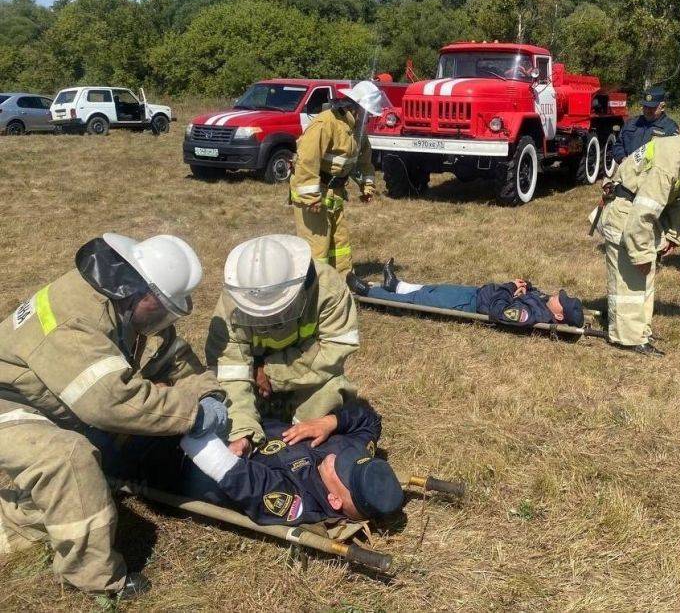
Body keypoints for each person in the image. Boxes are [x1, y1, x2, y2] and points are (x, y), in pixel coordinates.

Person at [0, 233, 225, 599]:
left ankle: (32, 515)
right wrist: (193, 414)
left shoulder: (125, 301)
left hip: (47, 395)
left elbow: (174, 358)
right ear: (140, 293)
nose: (165, 320)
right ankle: (97, 581)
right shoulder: (75, 322)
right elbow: (112, 404)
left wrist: (208, 391)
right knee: (68, 459)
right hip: (7, 401)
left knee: (83, 473)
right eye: (163, 308)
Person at [88, 401, 404, 526]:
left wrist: (182, 415)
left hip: (184, 461)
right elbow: (369, 420)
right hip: (237, 424)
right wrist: (330, 421)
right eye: (358, 461)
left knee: (103, 437)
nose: (342, 457)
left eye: (345, 471)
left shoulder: (298, 500)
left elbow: (235, 475)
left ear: (335, 499)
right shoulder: (356, 453)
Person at [207, 235, 360, 458]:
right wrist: (242, 433)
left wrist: (271, 373)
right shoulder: (233, 302)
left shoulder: (327, 289)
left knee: (333, 388)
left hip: (308, 380)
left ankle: (301, 446)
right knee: (221, 411)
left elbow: (333, 350)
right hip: (255, 385)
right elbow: (230, 371)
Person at [599, 128, 680, 355]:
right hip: (626, 215)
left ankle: (639, 331)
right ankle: (627, 338)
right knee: (630, 282)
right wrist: (640, 254)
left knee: (643, 278)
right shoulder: (668, 163)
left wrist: (673, 235)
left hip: (636, 215)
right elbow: (643, 212)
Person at [289, 80, 391, 277]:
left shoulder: (356, 129)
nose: (370, 118)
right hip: (314, 193)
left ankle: (343, 282)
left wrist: (367, 184)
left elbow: (362, 160)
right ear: (357, 107)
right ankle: (317, 289)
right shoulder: (326, 123)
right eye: (369, 113)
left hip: (334, 193)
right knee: (318, 246)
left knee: (339, 243)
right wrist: (311, 198)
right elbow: (306, 161)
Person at [347, 259, 585, 330]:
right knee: (434, 289)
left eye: (560, 300)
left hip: (471, 304)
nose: (556, 296)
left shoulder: (530, 315)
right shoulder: (543, 304)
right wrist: (525, 286)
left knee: (421, 300)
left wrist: (510, 288)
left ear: (560, 316)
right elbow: (533, 292)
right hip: (477, 293)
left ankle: (369, 293)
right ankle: (395, 285)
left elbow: (499, 312)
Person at [611, 93, 680, 163]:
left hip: (654, 172)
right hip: (629, 170)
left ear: (662, 107)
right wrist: (622, 159)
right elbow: (618, 145)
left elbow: (672, 156)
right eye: (645, 106)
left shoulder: (670, 128)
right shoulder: (631, 123)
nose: (647, 111)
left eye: (652, 108)